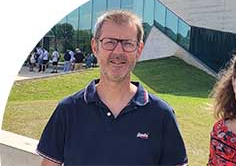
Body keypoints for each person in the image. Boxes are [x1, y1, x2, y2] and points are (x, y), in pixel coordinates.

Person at [37, 10, 188, 166]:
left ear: (139, 50)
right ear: (95, 47)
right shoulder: (68, 110)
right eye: (109, 42)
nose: (118, 51)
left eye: (128, 43)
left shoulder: (161, 114)